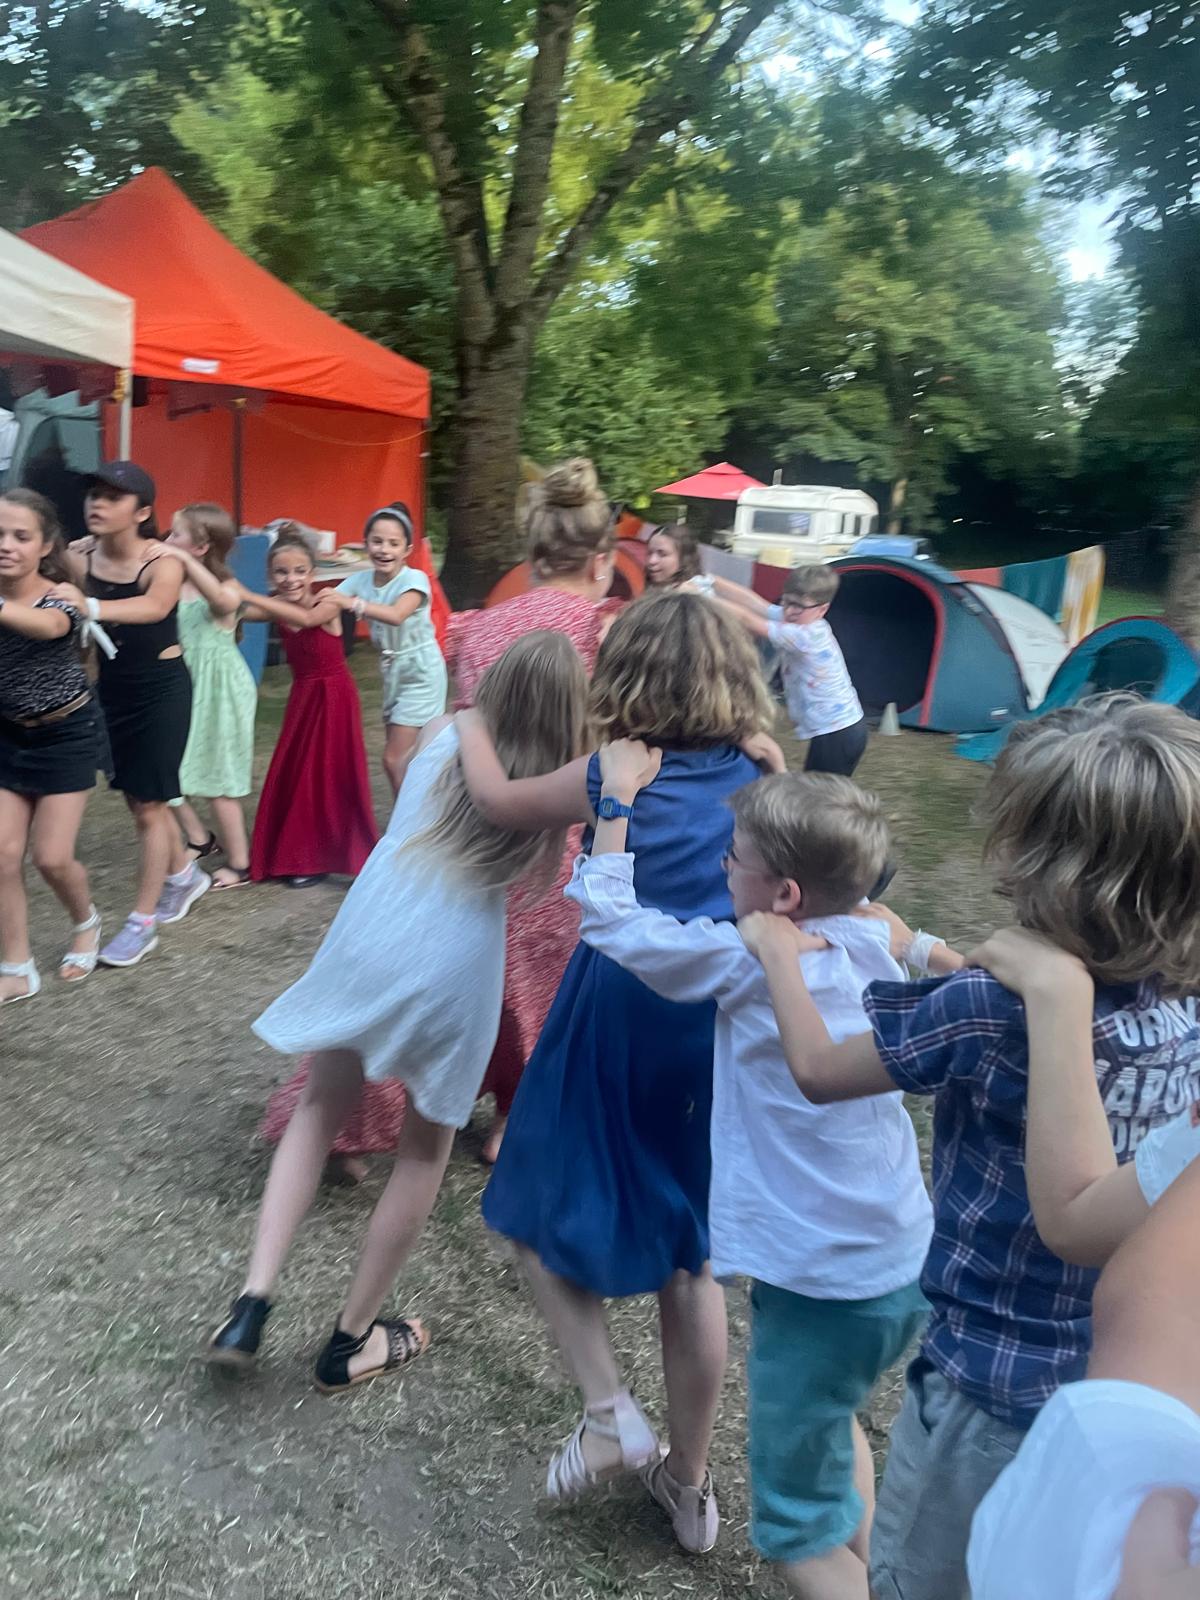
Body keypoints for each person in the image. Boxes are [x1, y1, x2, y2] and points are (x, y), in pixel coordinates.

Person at [742, 695, 1200, 1600]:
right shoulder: (1184, 1004)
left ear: (1038, 854)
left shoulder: (990, 1011)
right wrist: (918, 946)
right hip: (1121, 1394)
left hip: (984, 1389)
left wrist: (778, 958)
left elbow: (821, 1071)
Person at [459, 590, 776, 1555]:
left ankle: (609, 1412)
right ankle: (690, 1484)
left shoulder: (615, 772)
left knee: (528, 1201)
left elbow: (499, 801)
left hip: (619, 1013)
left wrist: (468, 723)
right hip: (716, 1029)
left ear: (625, 675)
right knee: (694, 1258)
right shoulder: (764, 778)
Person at [571, 761, 932, 1597]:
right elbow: (898, 931)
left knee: (797, 1537)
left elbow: (614, 925)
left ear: (784, 896)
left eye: (734, 857)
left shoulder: (746, 960)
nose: (721, 866)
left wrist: (616, 808)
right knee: (834, 1421)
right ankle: (884, 1575)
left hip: (819, 1288)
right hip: (901, 1267)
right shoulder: (872, 942)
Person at [204, 632, 589, 1385]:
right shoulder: (557, 779)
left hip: (372, 928)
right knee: (422, 1152)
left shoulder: (448, 729)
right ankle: (351, 1339)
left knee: (318, 1108)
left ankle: (251, 1301)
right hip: (456, 959)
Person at [444, 458, 616, 1163]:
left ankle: (427, 1097)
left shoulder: (480, 627)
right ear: (600, 561)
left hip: (471, 830)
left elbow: (456, 732)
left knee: (459, 972)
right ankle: (515, 1115)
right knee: (544, 979)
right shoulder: (604, 632)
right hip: (559, 833)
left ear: (534, 555)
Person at [52, 462, 207, 969]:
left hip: (161, 690)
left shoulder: (163, 560)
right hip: (111, 689)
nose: (96, 504)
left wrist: (90, 607)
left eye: (112, 497)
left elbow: (155, 607)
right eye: (93, 495)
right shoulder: (79, 555)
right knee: (137, 798)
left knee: (150, 806)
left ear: (141, 513)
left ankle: (142, 923)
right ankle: (184, 873)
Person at [0, 489, 107, 1001]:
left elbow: (47, 627)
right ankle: (16, 966)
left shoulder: (62, 596)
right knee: (2, 854)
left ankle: (86, 921)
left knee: (51, 858)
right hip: (8, 734)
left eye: (21, 536)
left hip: (66, 733)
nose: (7, 544)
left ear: (45, 546)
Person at [235, 531, 378, 886]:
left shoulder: (327, 601)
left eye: (300, 571)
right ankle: (301, 852)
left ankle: (325, 856)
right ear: (271, 576)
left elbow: (307, 621)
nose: (291, 579)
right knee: (298, 770)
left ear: (313, 574)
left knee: (327, 772)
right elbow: (236, 609)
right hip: (303, 694)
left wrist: (249, 595)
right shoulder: (275, 604)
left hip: (333, 695)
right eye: (281, 572)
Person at [165, 503, 258, 890]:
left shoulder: (226, 586)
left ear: (201, 547)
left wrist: (185, 562)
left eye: (175, 535)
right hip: (182, 687)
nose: (166, 540)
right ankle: (200, 838)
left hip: (221, 692)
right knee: (164, 773)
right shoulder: (169, 582)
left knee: (218, 780)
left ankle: (240, 863)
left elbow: (222, 602)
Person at [328, 504, 447, 795]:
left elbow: (396, 615)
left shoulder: (414, 579)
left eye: (393, 543)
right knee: (409, 758)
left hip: (421, 672)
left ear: (407, 549)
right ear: (365, 544)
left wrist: (352, 604)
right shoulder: (361, 580)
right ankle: (416, 816)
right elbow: (327, 601)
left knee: (395, 760)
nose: (384, 550)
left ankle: (412, 819)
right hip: (393, 673)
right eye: (377, 541)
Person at [709, 565, 867, 776]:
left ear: (822, 610)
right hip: (835, 729)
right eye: (786, 601)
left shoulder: (807, 635)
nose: (789, 611)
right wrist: (711, 580)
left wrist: (701, 597)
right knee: (814, 789)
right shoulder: (798, 617)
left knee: (819, 793)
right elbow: (756, 603)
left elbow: (748, 620)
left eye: (799, 606)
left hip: (840, 732)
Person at [644, 524, 701, 589]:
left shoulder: (690, 591)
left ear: (684, 559)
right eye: (649, 553)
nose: (651, 561)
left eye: (662, 554)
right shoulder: (647, 586)